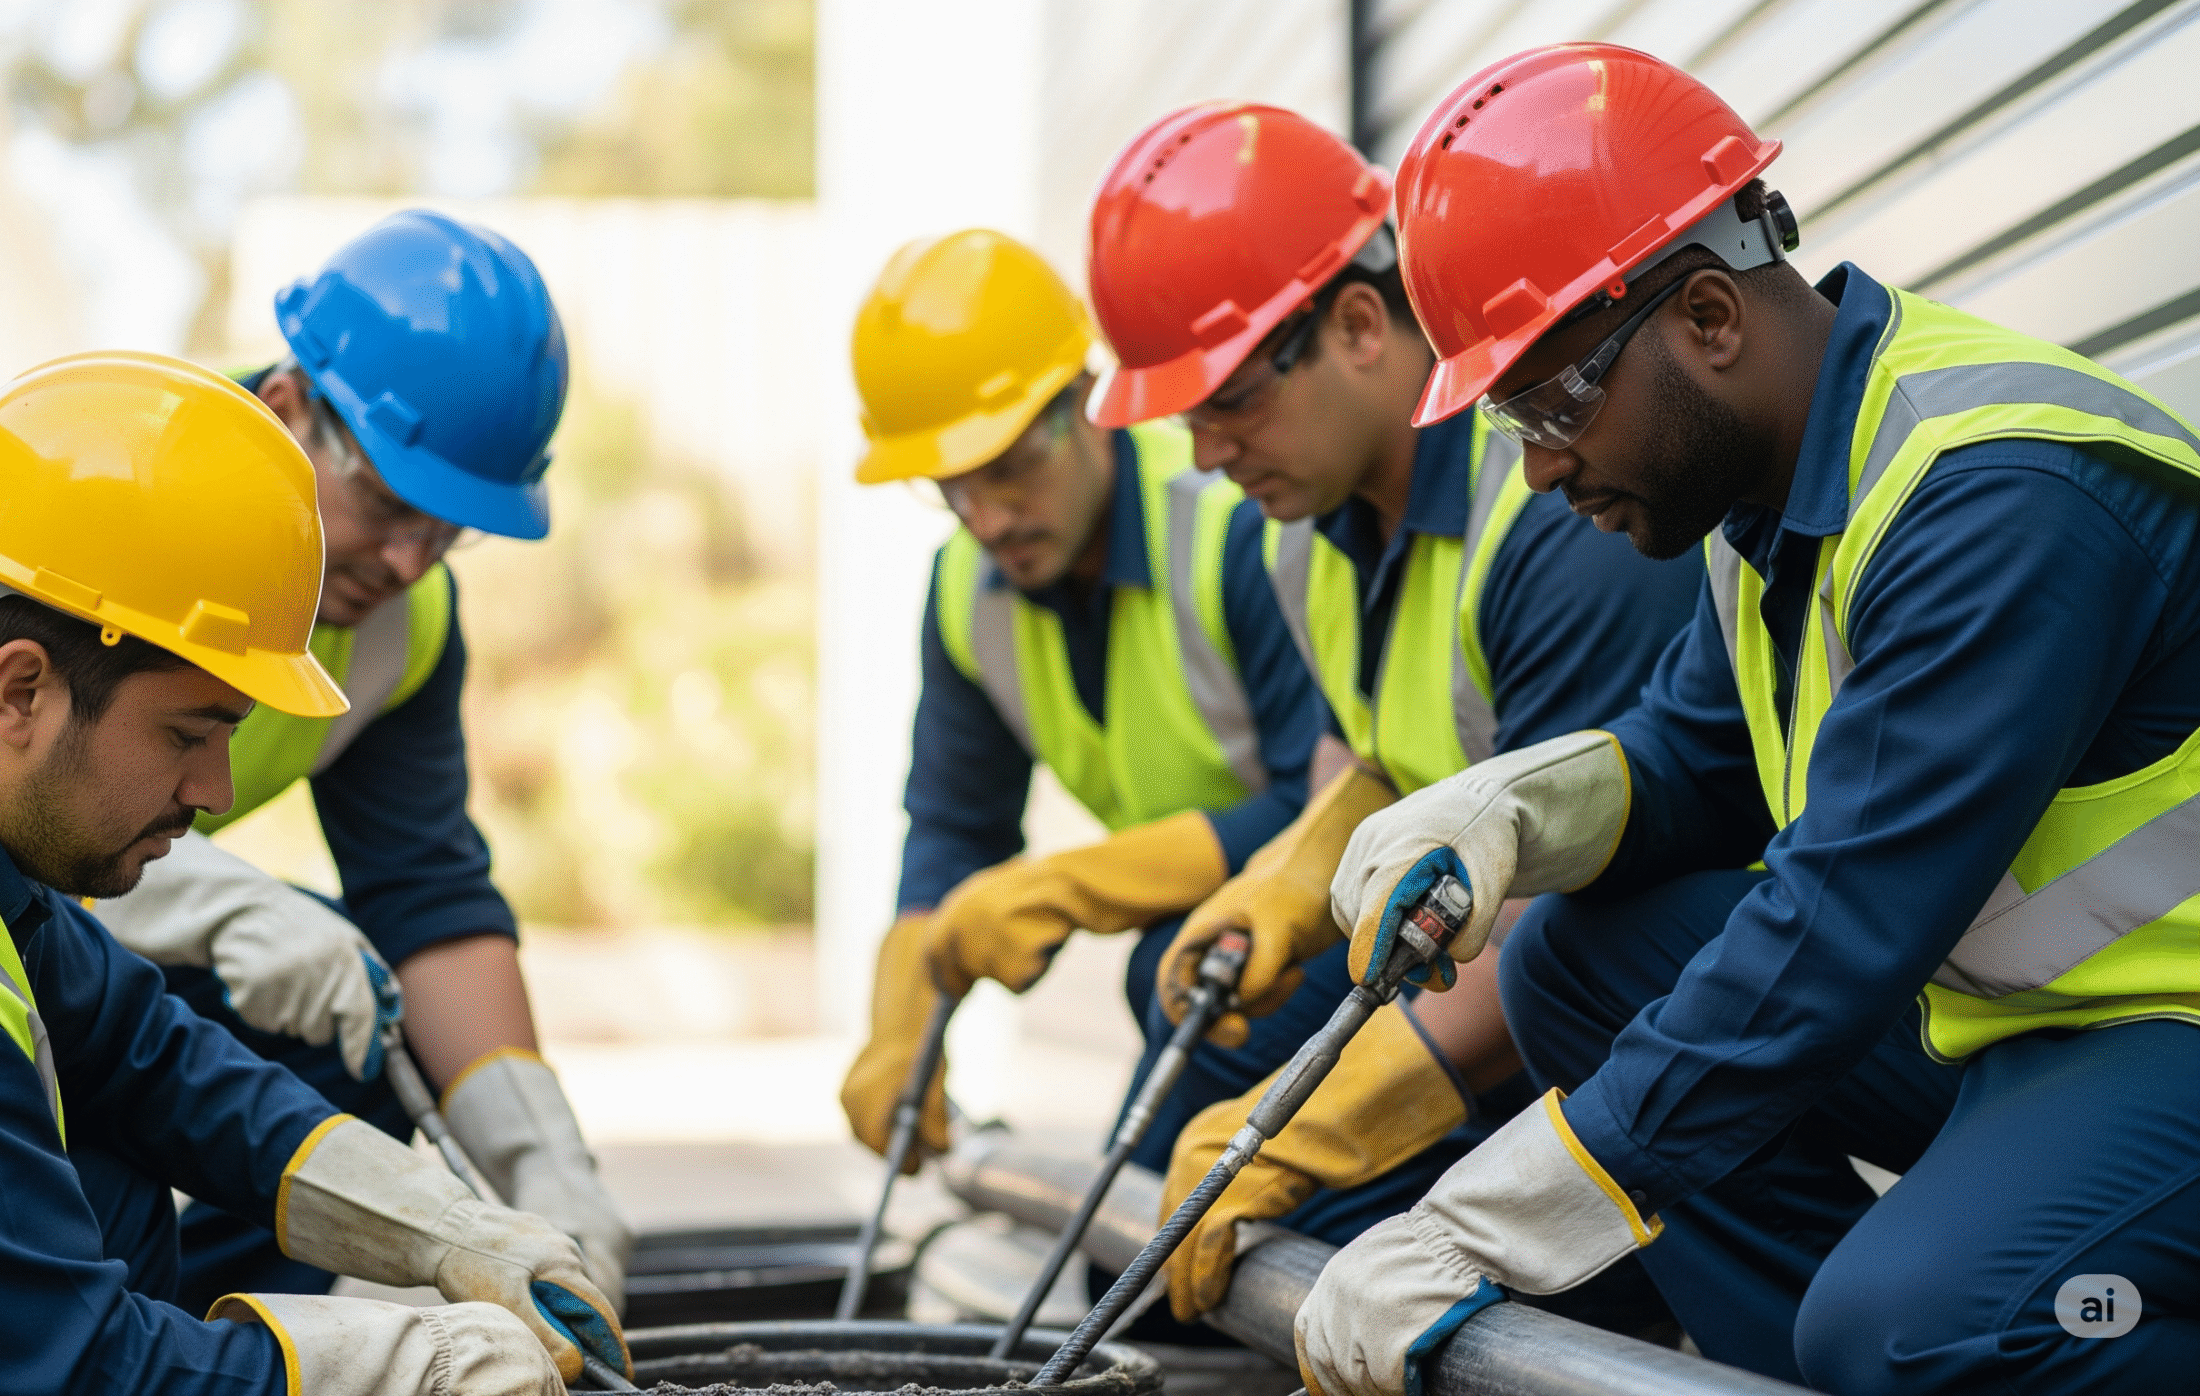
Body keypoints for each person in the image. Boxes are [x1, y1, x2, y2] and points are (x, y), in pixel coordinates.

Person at [1294, 43, 2200, 1396]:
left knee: (1913, 1332)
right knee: (1577, 966)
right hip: (2030, 1029)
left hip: (2170, 1031)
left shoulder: (1998, 497)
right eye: (1506, 419)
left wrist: (1482, 1225)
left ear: (1710, 318)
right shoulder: (1768, 503)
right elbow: (1692, 759)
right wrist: (1511, 817)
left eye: (1550, 402)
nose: (1537, 468)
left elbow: (1837, 927)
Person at [0, 209, 631, 1311]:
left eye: (448, 530)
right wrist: (226, 909)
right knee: (73, 1174)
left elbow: (426, 895)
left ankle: (184, 1338)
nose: (409, 560)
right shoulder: (38, 502)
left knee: (343, 1019)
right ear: (290, 406)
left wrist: (538, 1165)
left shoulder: (402, 624)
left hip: (4, 895)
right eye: (393, 503)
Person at [1078, 100, 1700, 1328]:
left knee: (1296, 1228)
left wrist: (1308, 1133)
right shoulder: (1299, 531)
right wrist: (1285, 880)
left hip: (1591, 992)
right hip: (1461, 936)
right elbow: (1363, 753)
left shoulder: (1553, 515)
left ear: (1360, 326)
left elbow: (1563, 912)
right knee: (1188, 1039)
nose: (1203, 455)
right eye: (1185, 419)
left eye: (1228, 402)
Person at [836, 229, 1320, 1176]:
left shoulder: (1234, 529)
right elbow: (956, 824)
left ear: (1089, 403)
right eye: (951, 488)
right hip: (1206, 955)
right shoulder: (964, 593)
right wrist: (904, 1018)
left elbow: (1328, 805)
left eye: (1009, 466)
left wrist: (1075, 887)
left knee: (1161, 991)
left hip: (1335, 939)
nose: (988, 519)